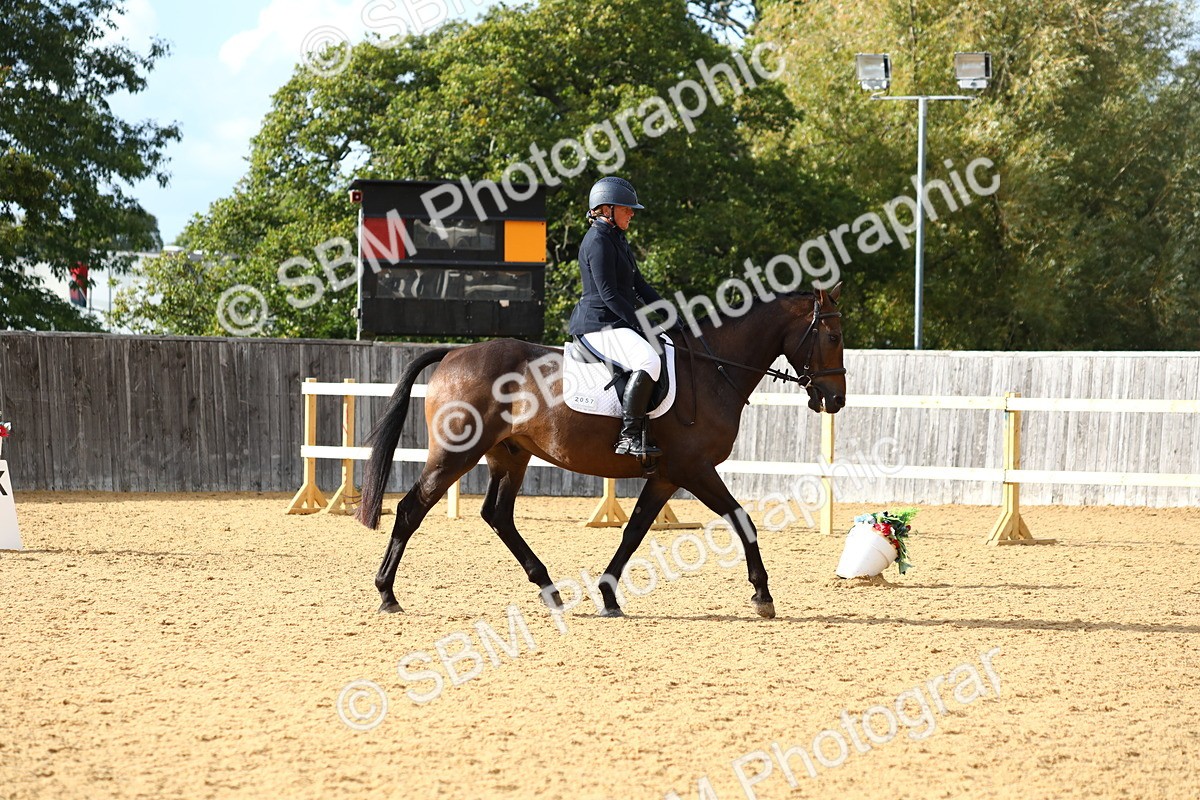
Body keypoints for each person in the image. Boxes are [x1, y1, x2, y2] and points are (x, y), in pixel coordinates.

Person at [568, 176, 673, 459]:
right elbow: (609, 296)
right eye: (627, 209)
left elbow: (639, 285)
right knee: (648, 360)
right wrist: (643, 324)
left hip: (615, 321)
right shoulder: (597, 241)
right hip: (597, 324)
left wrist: (669, 313)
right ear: (607, 209)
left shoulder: (617, 239)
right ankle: (628, 436)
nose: (632, 214)